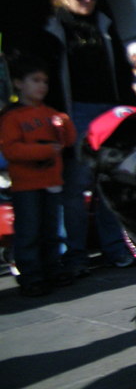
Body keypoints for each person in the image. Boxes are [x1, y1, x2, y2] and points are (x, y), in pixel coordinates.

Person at [36, 0, 136, 273]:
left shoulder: (105, 26)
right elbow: (44, 78)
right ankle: (75, 255)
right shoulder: (51, 30)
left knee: (110, 182)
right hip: (73, 112)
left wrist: (129, 113)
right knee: (75, 189)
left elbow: (122, 73)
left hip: (109, 111)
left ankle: (115, 248)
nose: (88, 0)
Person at [0, 55, 77, 296]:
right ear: (19, 83)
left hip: (51, 182)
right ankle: (31, 276)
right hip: (26, 185)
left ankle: (52, 269)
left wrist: (64, 123)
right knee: (29, 231)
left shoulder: (50, 112)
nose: (42, 86)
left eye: (45, 81)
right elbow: (10, 149)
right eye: (35, 80)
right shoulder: (12, 117)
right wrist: (44, 150)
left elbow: (69, 141)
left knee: (51, 230)